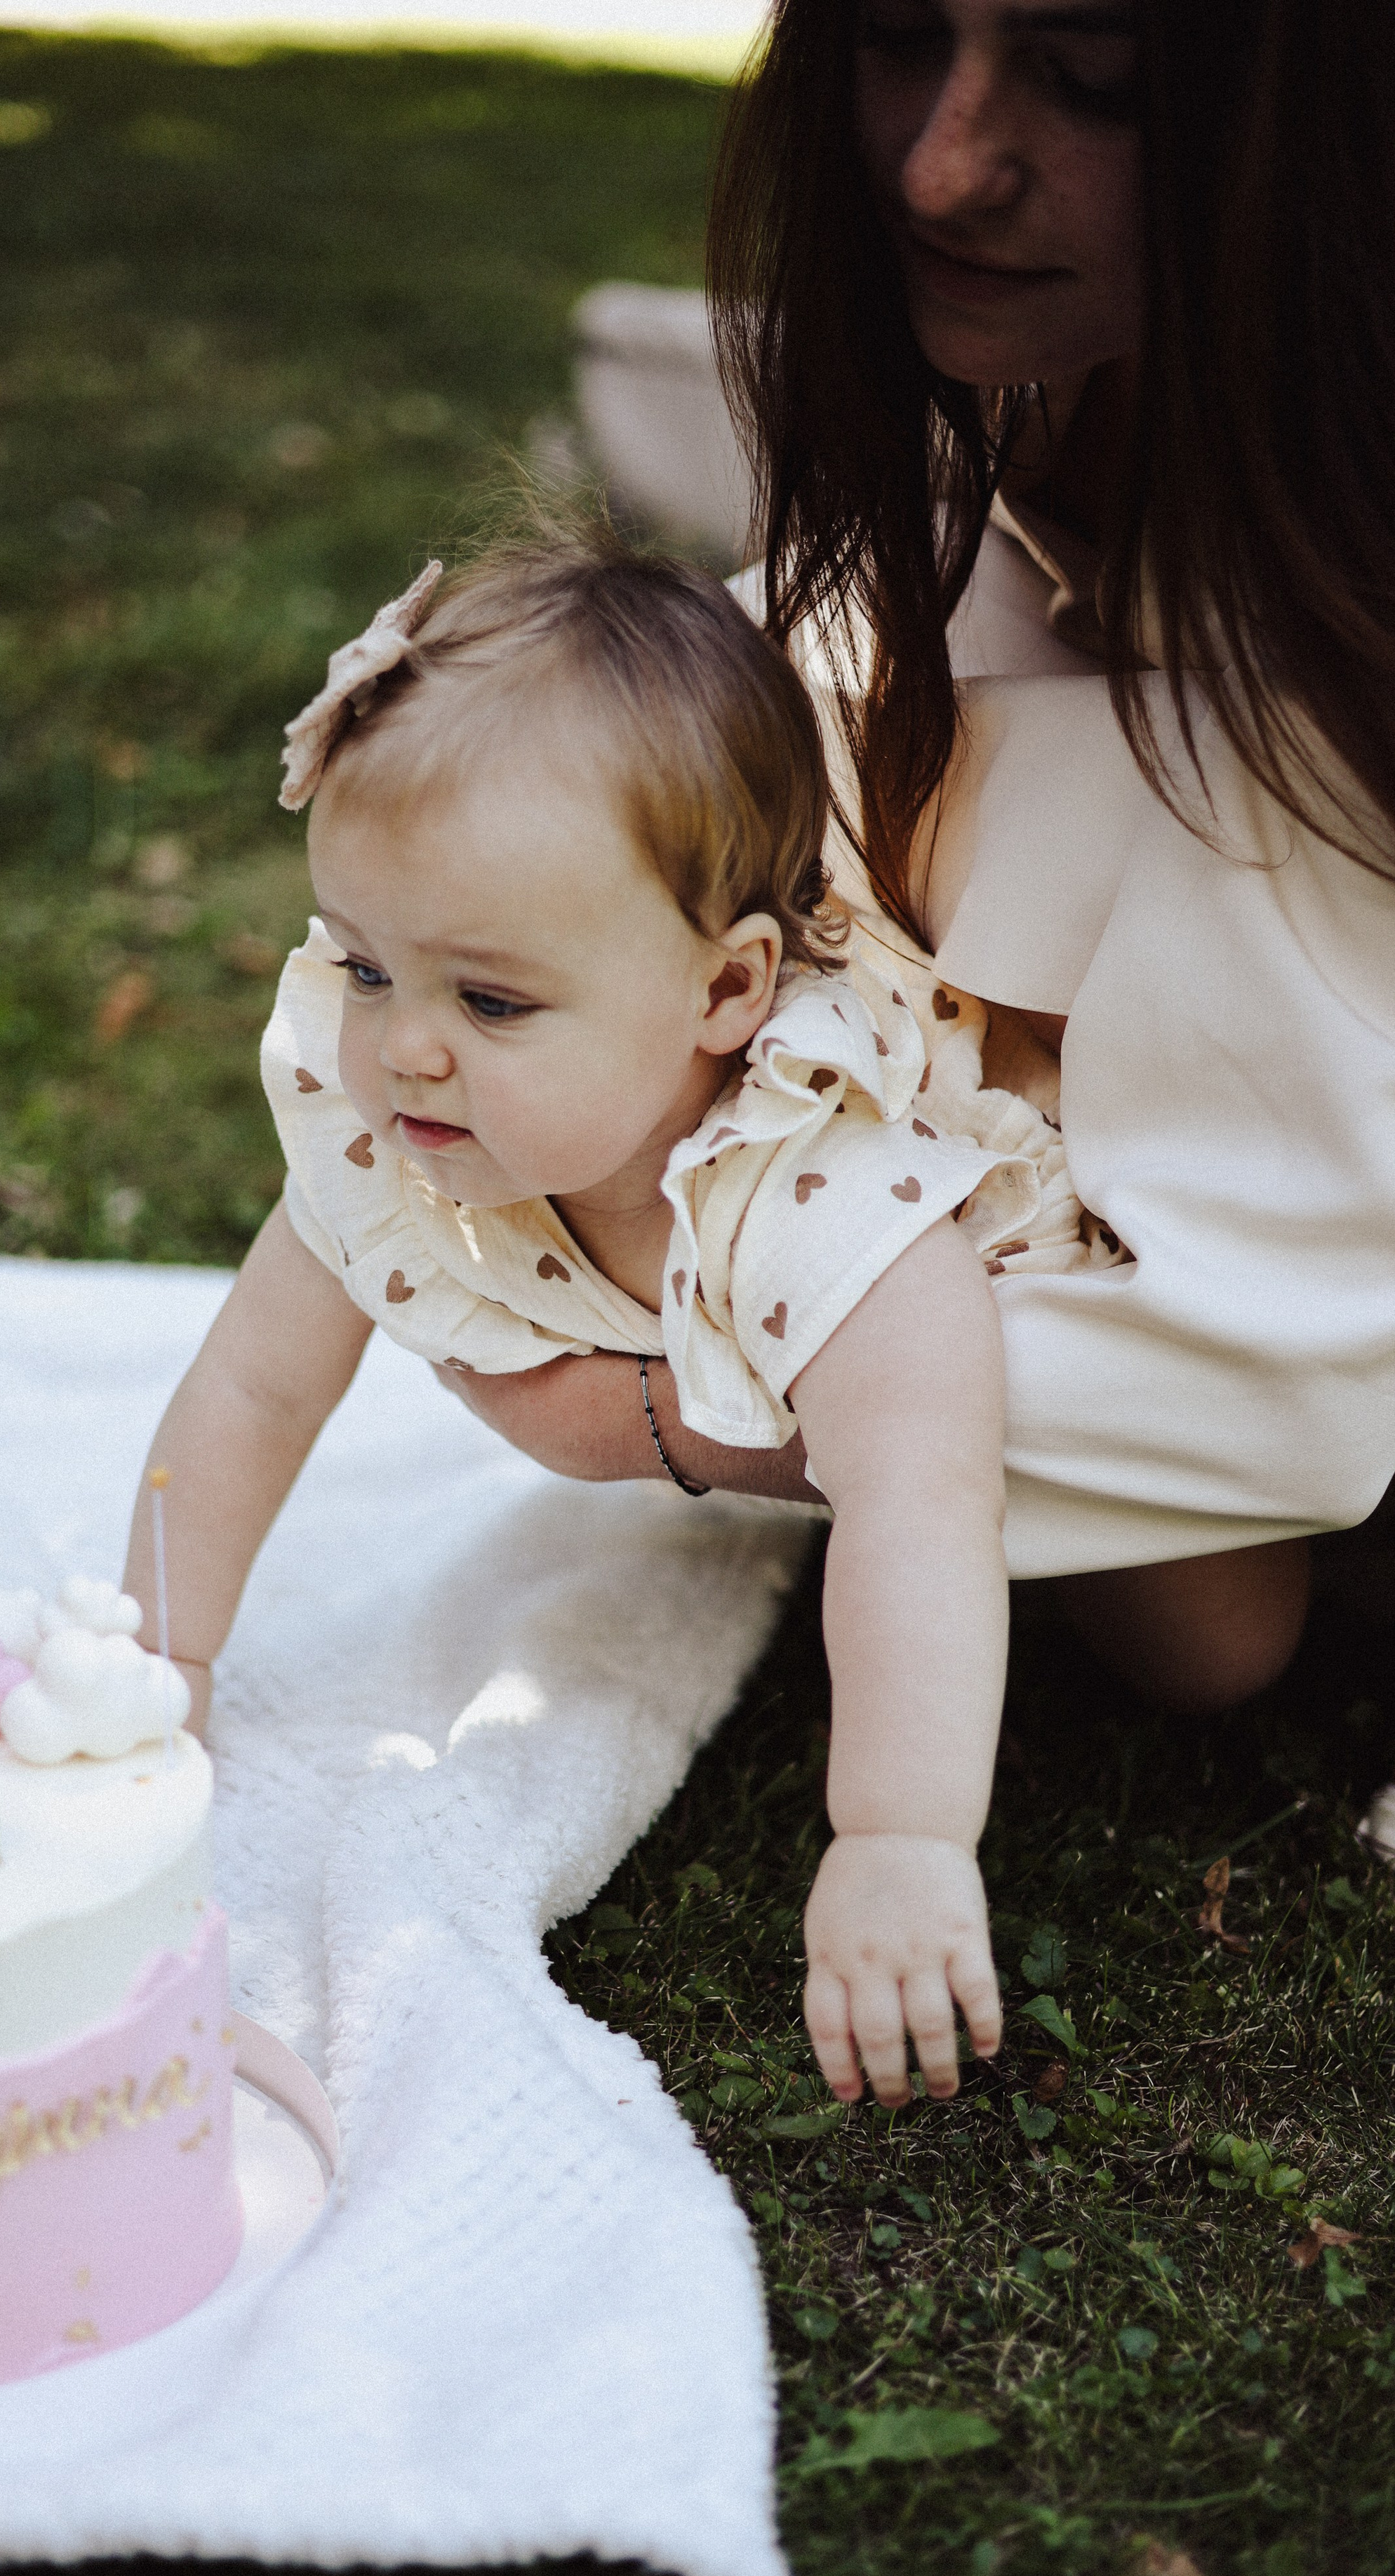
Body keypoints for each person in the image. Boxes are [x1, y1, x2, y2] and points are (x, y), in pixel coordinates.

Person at [438, 0, 1395, 1720]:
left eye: (1088, 73)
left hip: (1308, 1370)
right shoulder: (1021, 429)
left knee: (1211, 1623)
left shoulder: (1321, 631)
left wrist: (675, 1414)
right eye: (891, 37)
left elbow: (1281, 1389)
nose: (943, 166)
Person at [126, 531, 1123, 2108]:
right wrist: (157, 1655)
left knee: (1200, 1641)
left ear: (724, 996)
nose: (402, 1054)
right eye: (365, 966)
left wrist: (897, 1838)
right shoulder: (388, 1125)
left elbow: (920, 1501)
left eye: (490, 1000)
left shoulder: (818, 1183)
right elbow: (252, 1389)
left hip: (1088, 1380)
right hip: (817, 1401)